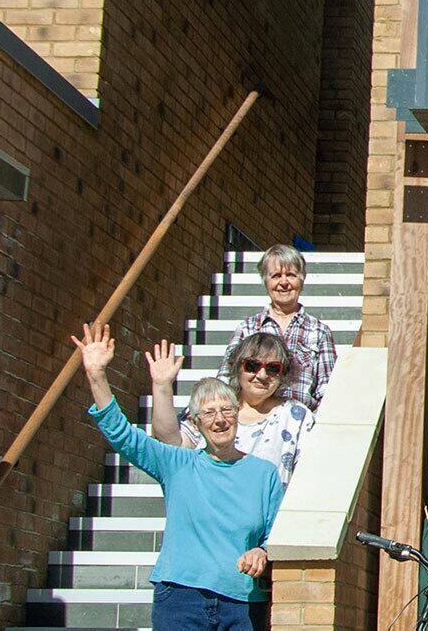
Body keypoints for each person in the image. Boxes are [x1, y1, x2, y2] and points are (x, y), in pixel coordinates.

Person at [75, 322, 282, 630]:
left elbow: (274, 537)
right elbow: (122, 435)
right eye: (209, 413)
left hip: (242, 603)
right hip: (181, 599)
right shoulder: (178, 463)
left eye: (226, 410)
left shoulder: (263, 474)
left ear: (237, 415)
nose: (220, 420)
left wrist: (260, 552)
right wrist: (96, 375)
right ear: (196, 424)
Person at [153, 333, 316, 485]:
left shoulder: (296, 416)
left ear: (283, 373)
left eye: (273, 368)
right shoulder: (211, 407)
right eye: (252, 366)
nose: (262, 375)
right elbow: (173, 444)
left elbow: (309, 474)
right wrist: (162, 387)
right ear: (238, 367)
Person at [218, 244, 336, 410]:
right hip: (253, 418)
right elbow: (225, 380)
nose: (284, 282)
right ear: (266, 281)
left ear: (302, 280)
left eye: (291, 275)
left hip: (300, 420)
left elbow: (328, 390)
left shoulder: (319, 332)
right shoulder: (248, 328)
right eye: (276, 276)